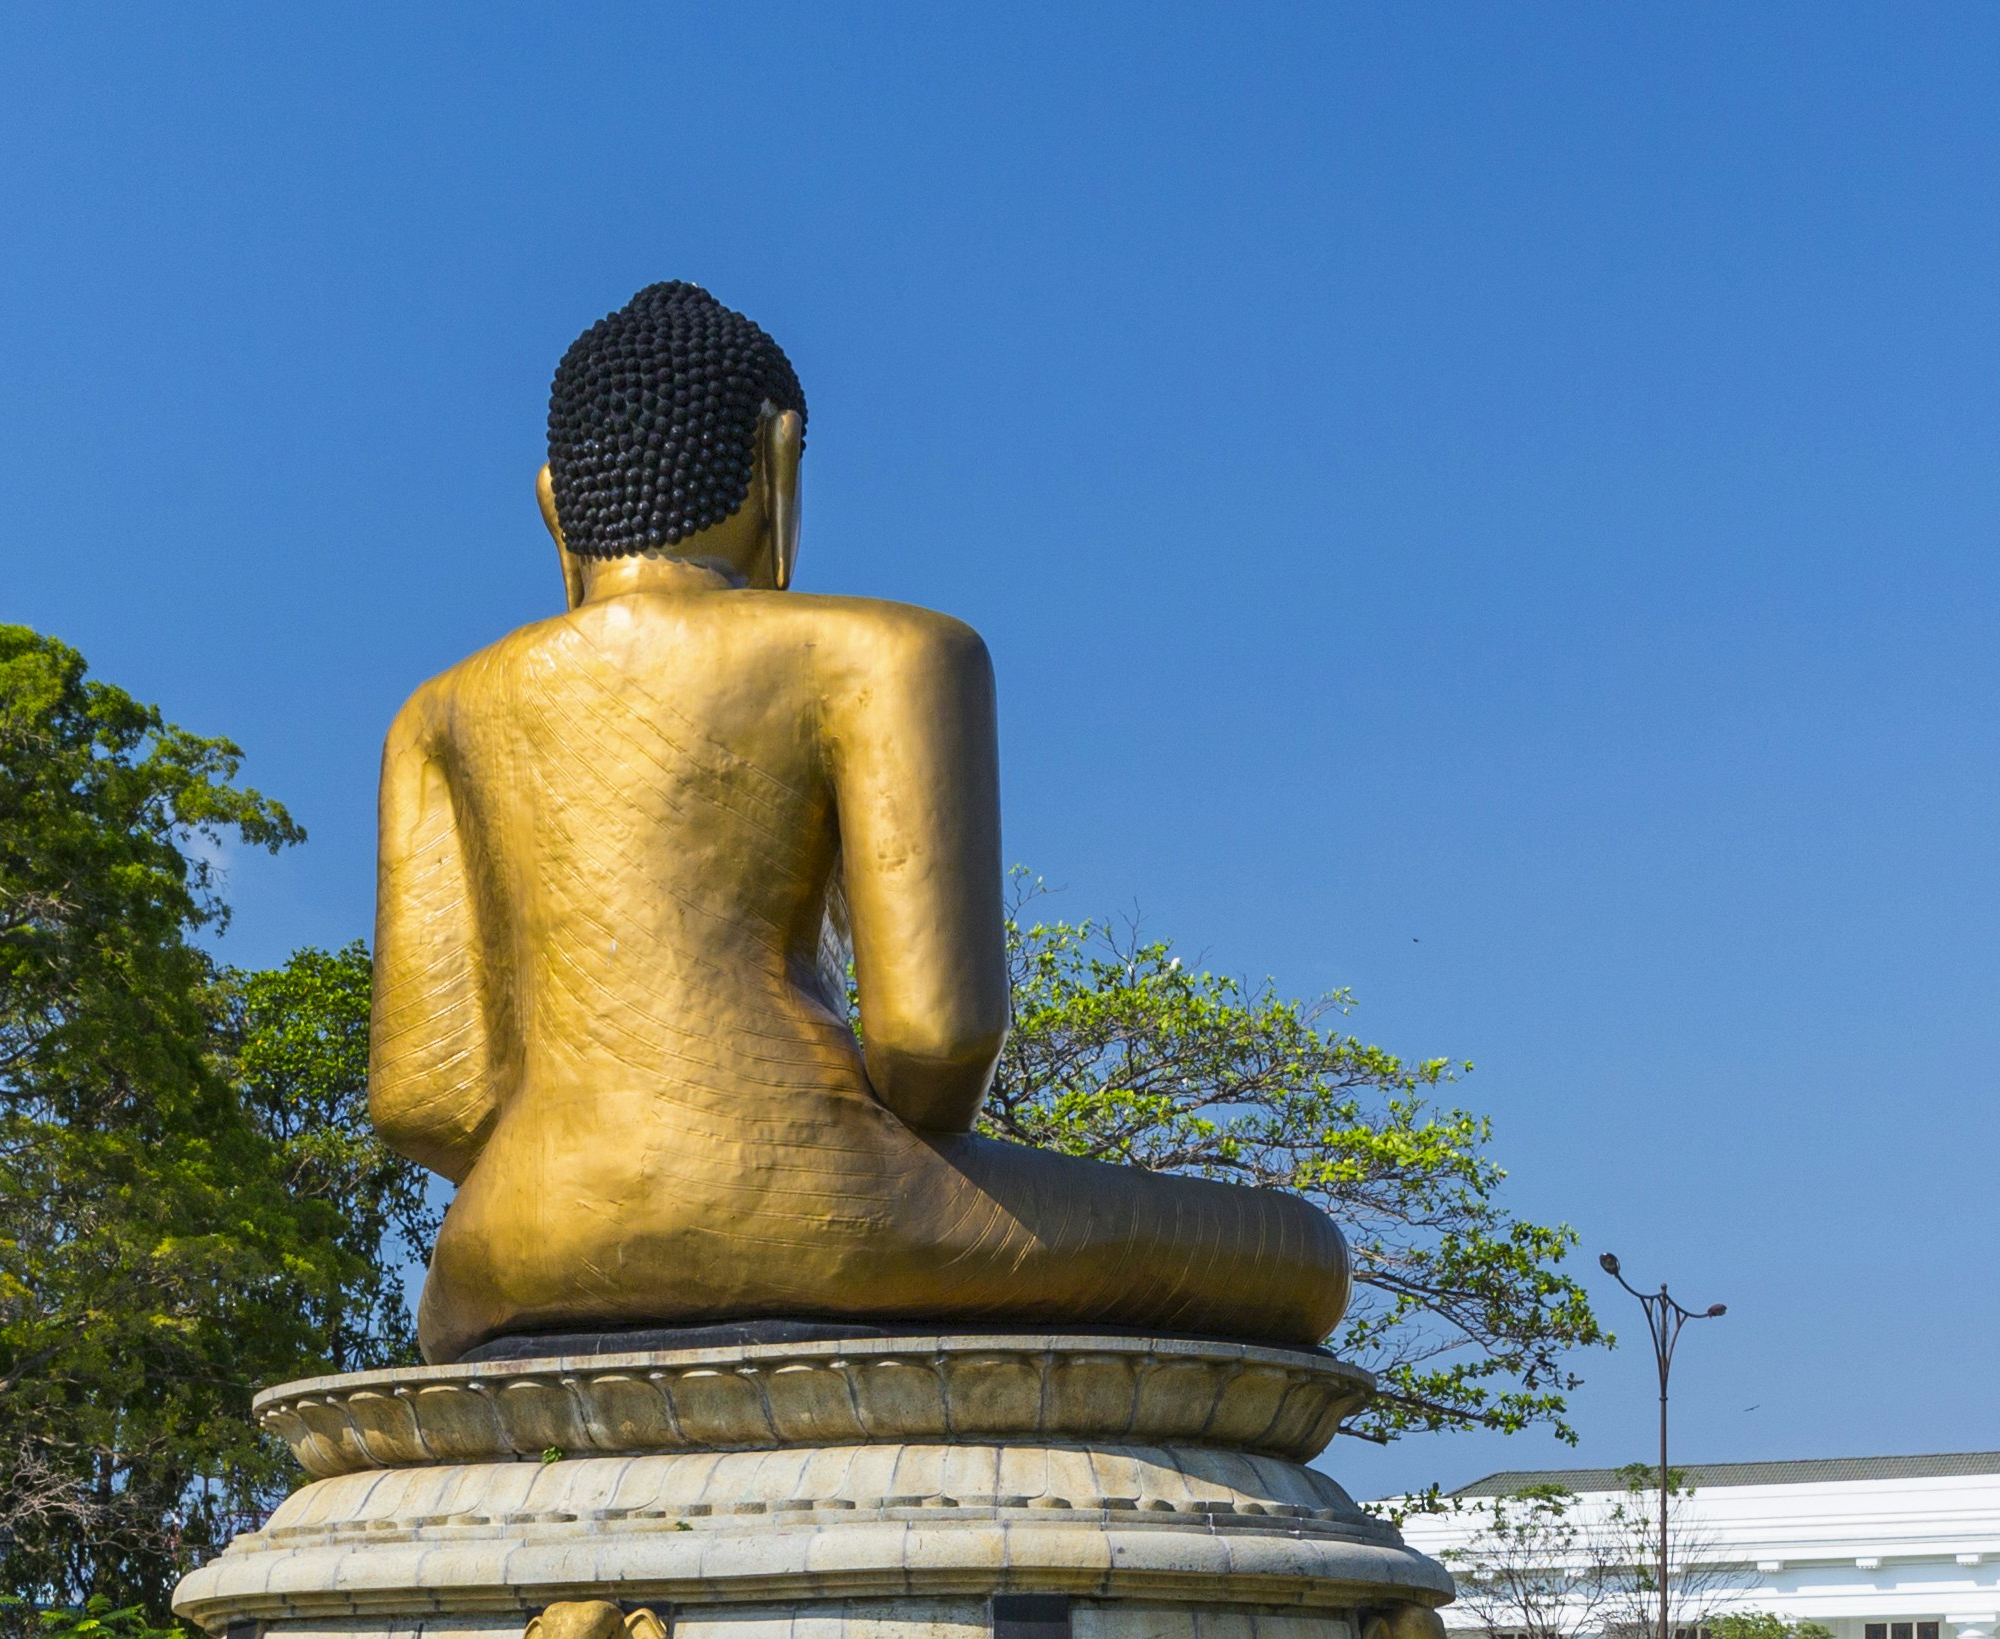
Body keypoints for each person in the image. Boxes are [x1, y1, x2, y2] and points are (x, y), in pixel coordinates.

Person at [366, 280, 1349, 1359]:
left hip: (510, 1244)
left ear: (555, 504)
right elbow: (936, 1044)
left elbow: (429, 1102)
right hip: (819, 1201)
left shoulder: (437, 716)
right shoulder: (883, 653)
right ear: (777, 458)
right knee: (1293, 1249)